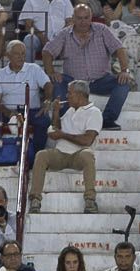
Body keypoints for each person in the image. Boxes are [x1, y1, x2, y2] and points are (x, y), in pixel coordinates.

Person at [42, 4, 131, 131]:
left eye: (86, 18)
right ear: (73, 18)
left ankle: (107, 120)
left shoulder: (102, 30)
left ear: (91, 17)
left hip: (101, 81)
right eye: (79, 18)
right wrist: (51, 72)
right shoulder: (64, 34)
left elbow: (119, 49)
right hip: (74, 82)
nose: (83, 22)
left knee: (124, 83)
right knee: (57, 82)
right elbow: (47, 52)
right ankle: (65, 120)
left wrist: (124, 70)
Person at [28, 79, 100, 214]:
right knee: (41, 155)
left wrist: (62, 135)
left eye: (70, 93)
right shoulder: (71, 110)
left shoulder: (94, 112)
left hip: (79, 155)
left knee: (88, 155)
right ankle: (35, 200)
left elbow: (87, 140)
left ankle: (90, 200)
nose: (67, 96)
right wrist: (55, 112)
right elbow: (57, 127)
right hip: (61, 153)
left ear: (79, 95)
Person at [0, 39, 53, 169]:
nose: (21, 57)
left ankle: (36, 160)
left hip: (31, 110)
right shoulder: (0, 74)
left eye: (23, 53)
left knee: (43, 121)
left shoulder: (34, 69)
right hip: (7, 111)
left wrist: (47, 100)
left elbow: (48, 85)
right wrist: (10, 113)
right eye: (17, 53)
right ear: (8, 56)